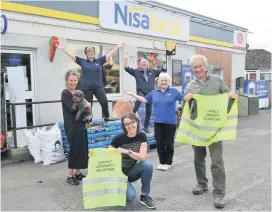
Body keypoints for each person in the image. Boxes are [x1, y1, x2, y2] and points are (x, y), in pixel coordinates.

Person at [183, 54, 238, 209]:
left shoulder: (217, 80)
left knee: (217, 161)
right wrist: (185, 99)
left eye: (200, 66)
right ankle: (201, 184)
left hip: (215, 130)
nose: (198, 69)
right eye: (195, 67)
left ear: (205, 67)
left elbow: (227, 96)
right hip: (198, 129)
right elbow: (187, 108)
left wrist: (232, 97)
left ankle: (219, 193)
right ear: (192, 69)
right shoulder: (190, 86)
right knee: (198, 159)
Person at [124, 73, 183, 171]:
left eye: (165, 81)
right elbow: (144, 99)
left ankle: (168, 162)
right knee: (159, 143)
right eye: (161, 81)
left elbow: (184, 98)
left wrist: (182, 106)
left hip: (170, 122)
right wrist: (132, 94)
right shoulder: (154, 92)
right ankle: (161, 161)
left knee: (169, 143)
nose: (163, 82)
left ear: (169, 82)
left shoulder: (174, 91)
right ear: (158, 82)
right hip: (158, 122)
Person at [57, 42, 125, 121]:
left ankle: (106, 117)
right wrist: (63, 49)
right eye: (88, 51)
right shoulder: (82, 61)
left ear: (94, 53)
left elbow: (109, 54)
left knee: (104, 102)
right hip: (86, 88)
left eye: (91, 51)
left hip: (98, 87)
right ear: (86, 53)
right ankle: (89, 120)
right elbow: (72, 55)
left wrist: (117, 47)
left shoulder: (99, 61)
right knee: (88, 106)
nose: (90, 52)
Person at [109, 112, 156, 209]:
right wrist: (94, 154)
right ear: (124, 126)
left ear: (137, 122)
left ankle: (144, 196)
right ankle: (116, 187)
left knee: (147, 165)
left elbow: (142, 157)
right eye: (127, 124)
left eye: (132, 122)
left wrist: (127, 152)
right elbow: (107, 153)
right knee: (130, 197)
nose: (130, 126)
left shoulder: (142, 136)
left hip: (131, 171)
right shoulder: (118, 138)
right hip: (118, 174)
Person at [124, 53, 167, 133]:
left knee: (148, 111)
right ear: (139, 64)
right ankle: (134, 111)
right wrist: (126, 59)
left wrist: (164, 62)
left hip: (150, 93)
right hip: (141, 91)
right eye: (142, 62)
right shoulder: (136, 71)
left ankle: (146, 127)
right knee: (140, 97)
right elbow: (126, 68)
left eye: (145, 62)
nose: (143, 63)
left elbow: (163, 71)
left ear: (148, 63)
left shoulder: (153, 71)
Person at [61, 69, 90, 185]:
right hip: (72, 126)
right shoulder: (65, 93)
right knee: (74, 150)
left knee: (82, 149)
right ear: (66, 81)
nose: (72, 83)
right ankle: (70, 176)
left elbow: (86, 107)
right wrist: (85, 105)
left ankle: (77, 173)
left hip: (82, 124)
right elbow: (71, 109)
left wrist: (87, 109)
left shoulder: (78, 92)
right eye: (70, 80)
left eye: (75, 80)